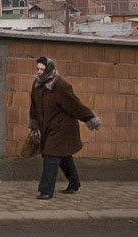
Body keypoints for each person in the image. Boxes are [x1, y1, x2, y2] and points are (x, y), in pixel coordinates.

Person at [28, 56, 101, 200]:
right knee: (64, 156)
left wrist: (90, 119)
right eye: (38, 69)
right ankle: (74, 183)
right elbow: (34, 106)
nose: (39, 72)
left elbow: (75, 105)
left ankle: (46, 190)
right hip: (47, 127)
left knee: (51, 156)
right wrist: (34, 124)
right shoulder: (37, 84)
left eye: (42, 69)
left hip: (63, 128)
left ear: (49, 69)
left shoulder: (60, 85)